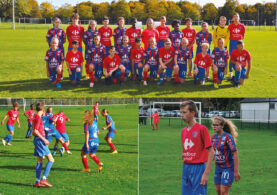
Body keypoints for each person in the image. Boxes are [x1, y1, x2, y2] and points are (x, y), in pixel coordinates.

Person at [180, 100, 214, 195]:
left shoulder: (202, 129)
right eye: (181, 112)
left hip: (198, 168)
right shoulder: (183, 131)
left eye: (184, 112)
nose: (182, 115)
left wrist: (206, 173)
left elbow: (211, 151)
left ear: (193, 113)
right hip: (186, 167)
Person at [211, 116, 240, 195]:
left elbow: (235, 152)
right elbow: (212, 153)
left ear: (222, 126)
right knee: (218, 191)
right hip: (218, 168)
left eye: (216, 125)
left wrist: (236, 171)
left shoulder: (228, 137)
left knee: (224, 191)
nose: (214, 126)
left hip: (228, 168)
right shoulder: (213, 138)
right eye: (213, 125)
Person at [33, 102, 54, 187]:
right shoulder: (38, 117)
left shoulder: (35, 116)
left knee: (40, 160)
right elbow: (35, 130)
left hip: (37, 140)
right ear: (43, 109)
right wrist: (44, 139)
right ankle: (43, 179)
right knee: (51, 160)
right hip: (40, 140)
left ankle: (37, 182)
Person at [228, 13, 245, 80]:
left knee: (239, 57)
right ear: (233, 18)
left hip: (239, 42)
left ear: (239, 18)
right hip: (232, 42)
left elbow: (243, 35)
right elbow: (228, 34)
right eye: (234, 17)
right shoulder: (230, 26)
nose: (236, 18)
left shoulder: (242, 26)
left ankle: (238, 72)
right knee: (232, 57)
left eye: (237, 16)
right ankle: (230, 72)